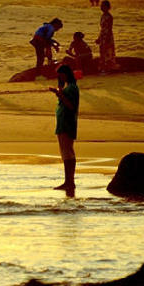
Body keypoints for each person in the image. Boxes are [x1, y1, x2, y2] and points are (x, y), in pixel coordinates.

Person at [49, 64, 79, 194]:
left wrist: (59, 94)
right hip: (63, 122)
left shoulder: (72, 88)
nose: (59, 77)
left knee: (67, 151)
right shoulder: (68, 87)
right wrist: (59, 89)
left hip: (67, 122)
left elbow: (71, 105)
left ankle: (69, 181)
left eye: (60, 75)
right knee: (65, 151)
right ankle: (68, 181)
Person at [96, 0, 117, 73]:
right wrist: (99, 38)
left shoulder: (109, 16)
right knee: (102, 52)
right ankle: (103, 67)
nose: (101, 7)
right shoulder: (103, 16)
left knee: (108, 52)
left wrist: (107, 37)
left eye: (103, 6)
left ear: (107, 7)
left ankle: (109, 68)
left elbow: (109, 28)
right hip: (103, 35)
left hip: (107, 35)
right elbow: (102, 28)